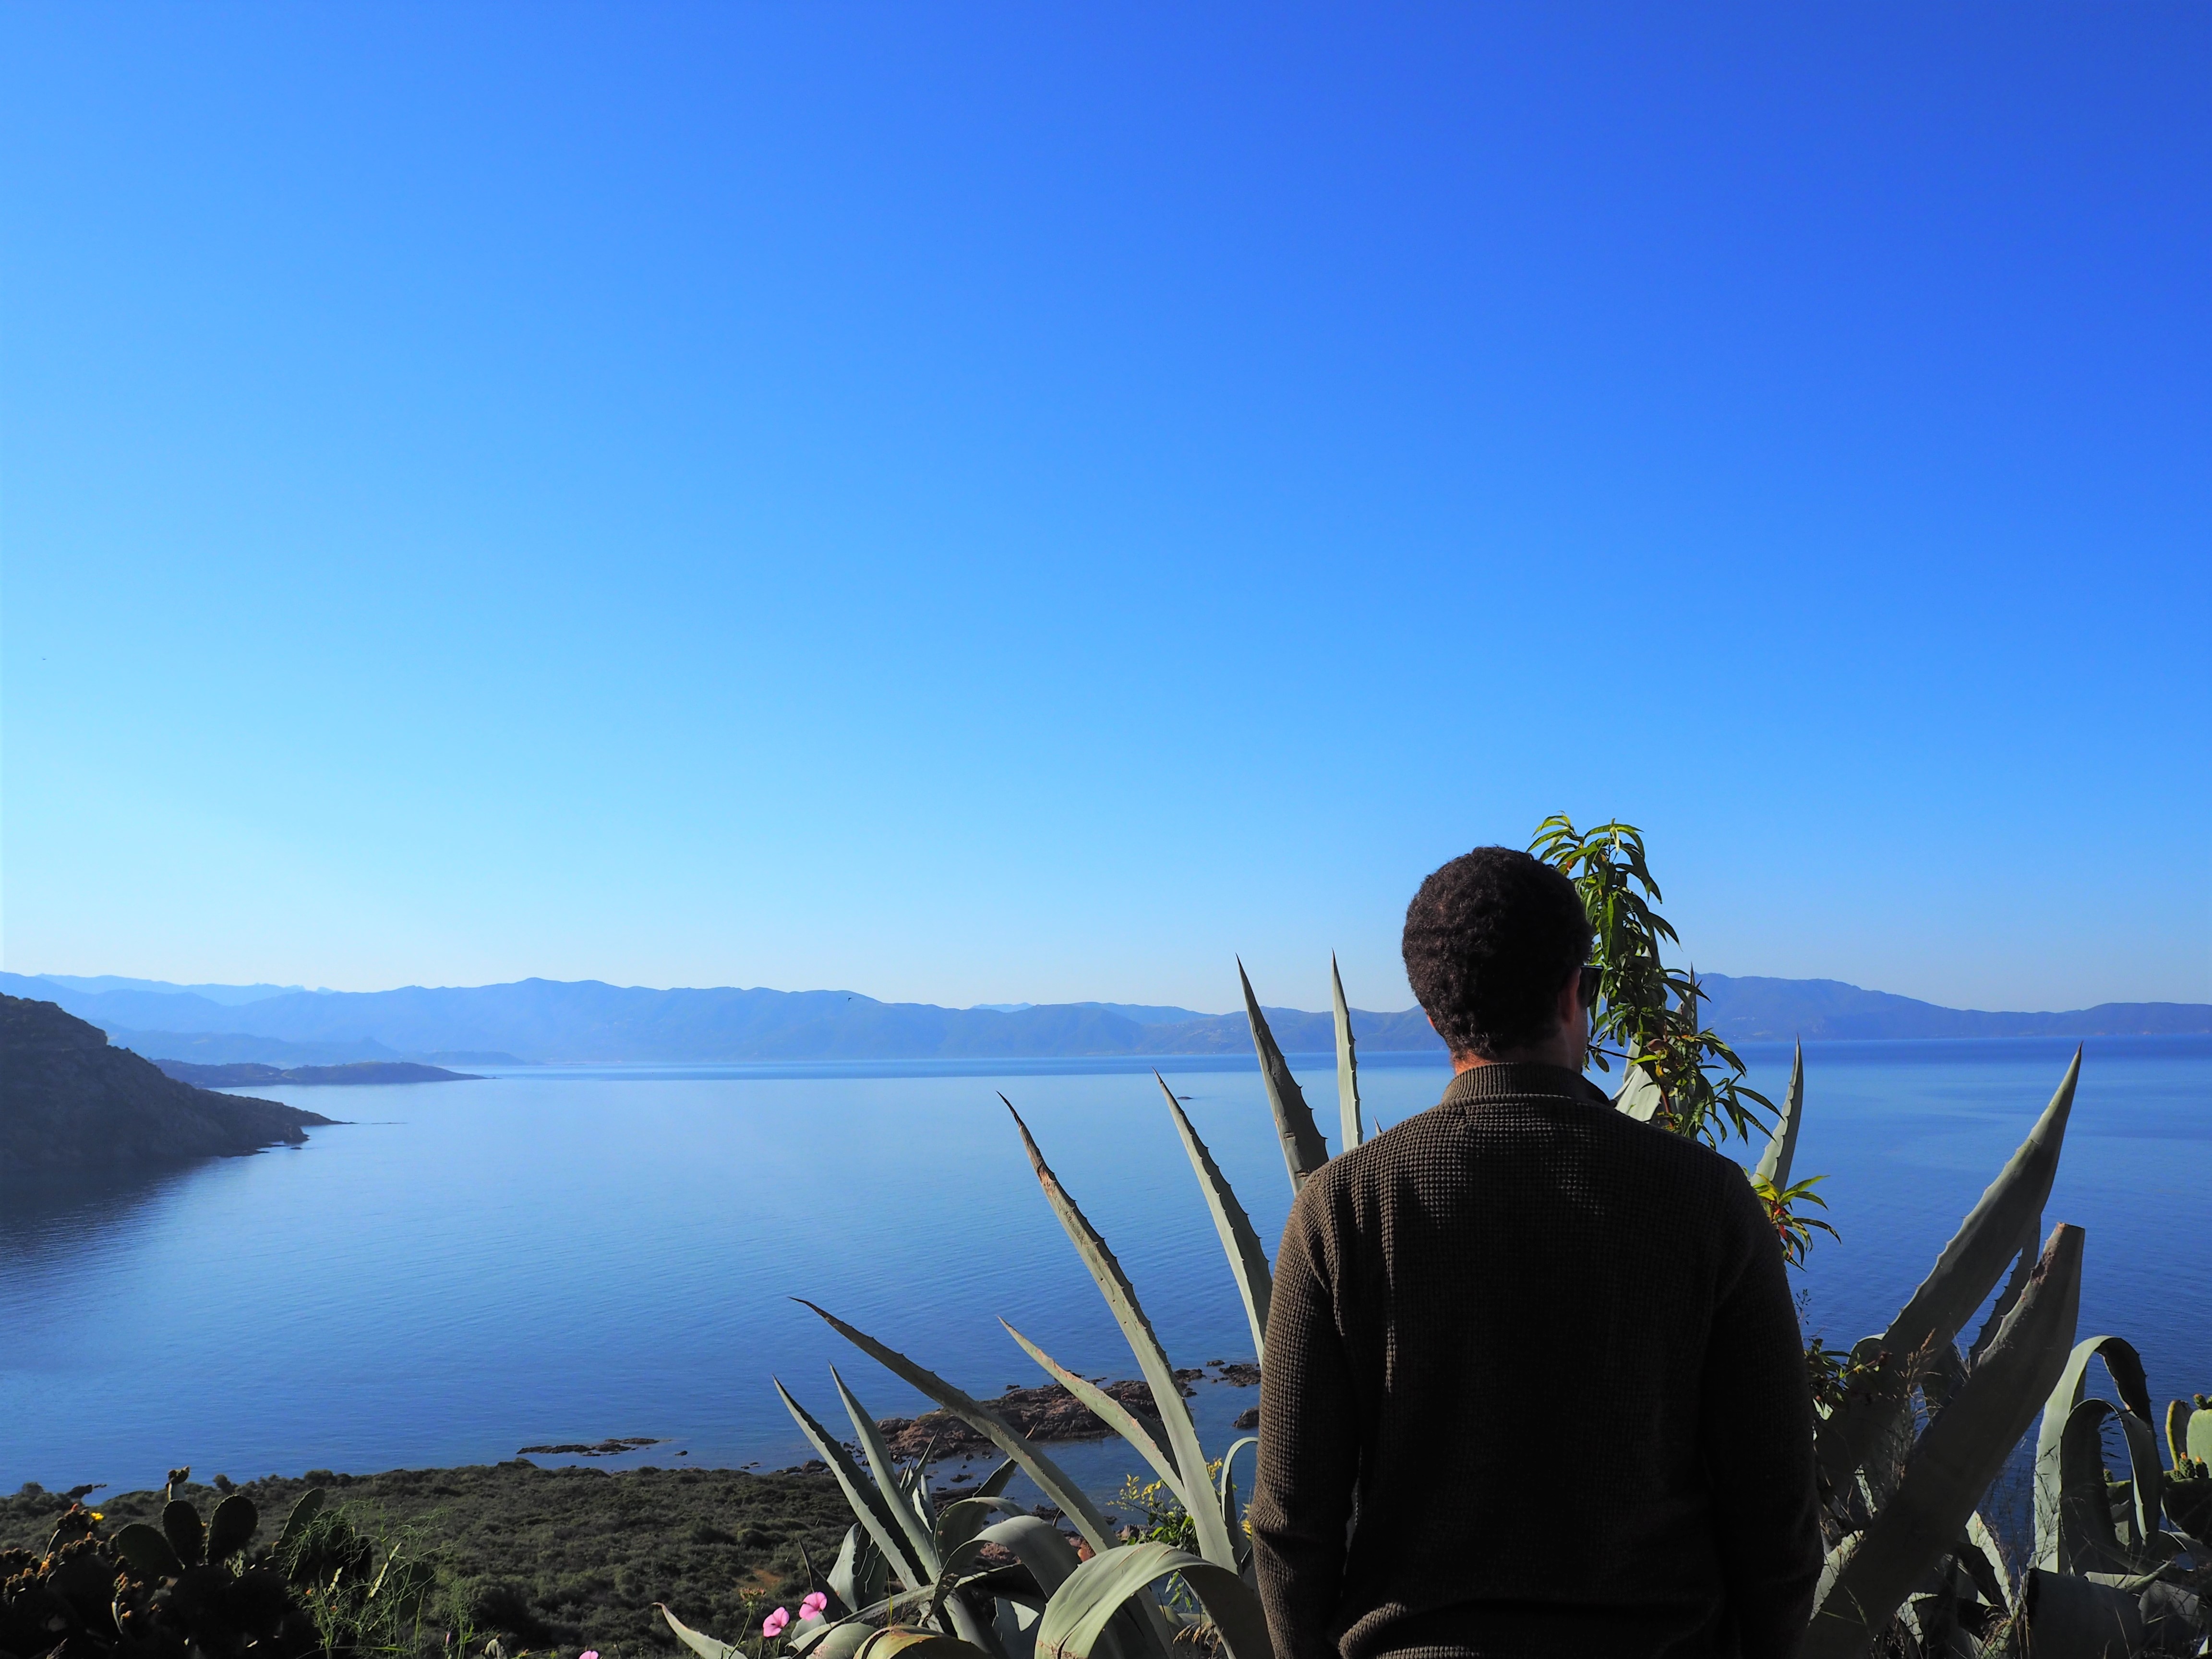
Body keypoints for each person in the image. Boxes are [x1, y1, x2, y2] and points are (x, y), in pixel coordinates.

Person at [1249, 847, 1821, 1659]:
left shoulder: (1341, 1208)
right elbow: (1777, 1516)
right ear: (1572, 992)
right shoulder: (1708, 1201)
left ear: (1434, 1017)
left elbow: (1290, 1525)